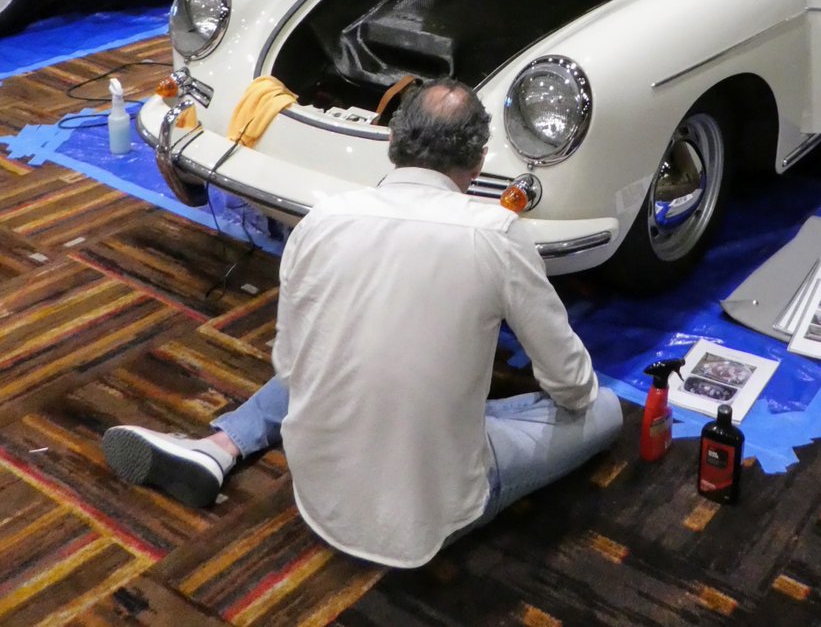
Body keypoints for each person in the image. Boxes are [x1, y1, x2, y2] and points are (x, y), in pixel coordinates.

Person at [102, 78, 622, 568]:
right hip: (431, 515)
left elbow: (291, 365)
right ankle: (449, 424)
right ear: (480, 160)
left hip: (317, 493)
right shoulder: (497, 232)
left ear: (393, 142)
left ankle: (218, 448)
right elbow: (572, 386)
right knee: (603, 408)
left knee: (334, 354)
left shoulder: (322, 219)